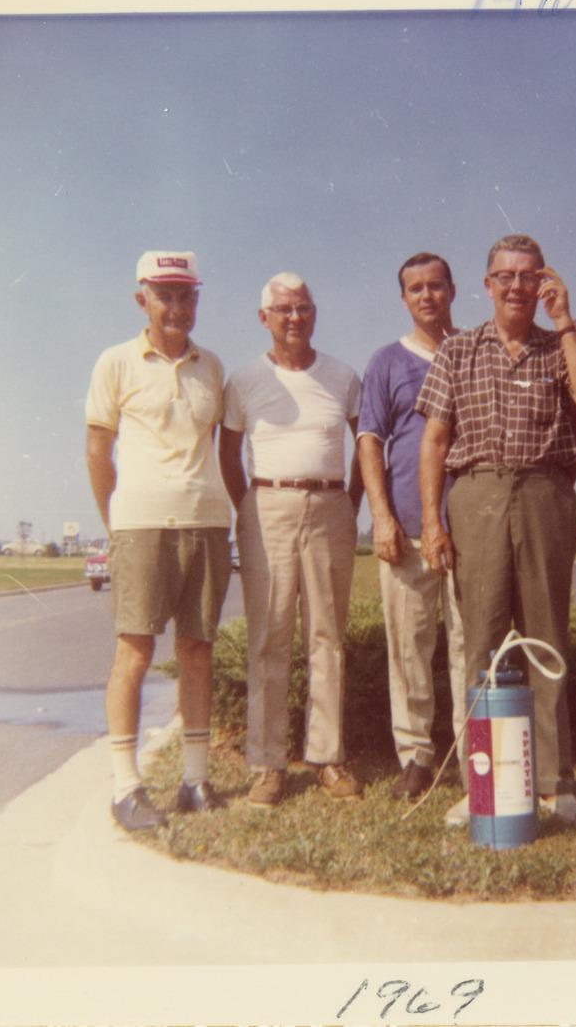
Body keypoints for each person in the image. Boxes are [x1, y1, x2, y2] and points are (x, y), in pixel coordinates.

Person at [417, 234, 576, 827]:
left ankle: (557, 785)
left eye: (530, 276)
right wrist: (431, 520)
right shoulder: (459, 350)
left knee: (546, 639)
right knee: (481, 641)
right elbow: (435, 440)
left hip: (546, 494)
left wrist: (566, 324)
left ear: (545, 283)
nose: (517, 287)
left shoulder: (561, 347)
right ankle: (482, 784)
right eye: (506, 276)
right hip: (475, 494)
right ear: (487, 284)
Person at [85, 250, 232, 832]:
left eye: (186, 295)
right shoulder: (115, 362)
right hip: (142, 525)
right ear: (141, 298)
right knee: (136, 652)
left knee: (196, 650)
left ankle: (195, 779)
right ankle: (126, 788)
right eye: (164, 294)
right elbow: (98, 451)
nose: (175, 306)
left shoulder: (211, 366)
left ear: (197, 300)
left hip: (206, 521)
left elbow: (217, 445)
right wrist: (117, 520)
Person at [218, 272, 363, 806]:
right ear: (264, 318)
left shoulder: (343, 376)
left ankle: (328, 758)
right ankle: (267, 764)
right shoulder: (244, 380)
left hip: (331, 507)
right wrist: (251, 510)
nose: (294, 318)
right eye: (283, 310)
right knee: (269, 638)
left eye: (303, 307)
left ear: (314, 311)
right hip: (266, 509)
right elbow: (228, 456)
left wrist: (350, 500)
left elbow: (364, 443)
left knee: (327, 638)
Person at [357, 252, 468, 800]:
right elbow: (369, 441)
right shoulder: (386, 362)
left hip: (470, 530)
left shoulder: (475, 351)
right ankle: (416, 756)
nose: (427, 296)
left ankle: (475, 754)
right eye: (415, 289)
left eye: (436, 286)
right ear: (403, 298)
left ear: (453, 290)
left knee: (471, 647)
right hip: (407, 530)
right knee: (410, 649)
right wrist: (380, 516)